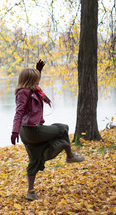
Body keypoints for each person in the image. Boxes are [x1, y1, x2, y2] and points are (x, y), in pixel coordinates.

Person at [11, 60, 85, 201]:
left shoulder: (32, 90)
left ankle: (30, 192)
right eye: (36, 78)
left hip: (29, 131)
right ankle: (70, 156)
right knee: (62, 128)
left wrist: (38, 71)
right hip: (31, 130)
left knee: (35, 160)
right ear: (29, 80)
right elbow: (18, 112)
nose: (38, 81)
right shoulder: (24, 93)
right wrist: (14, 131)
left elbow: (36, 84)